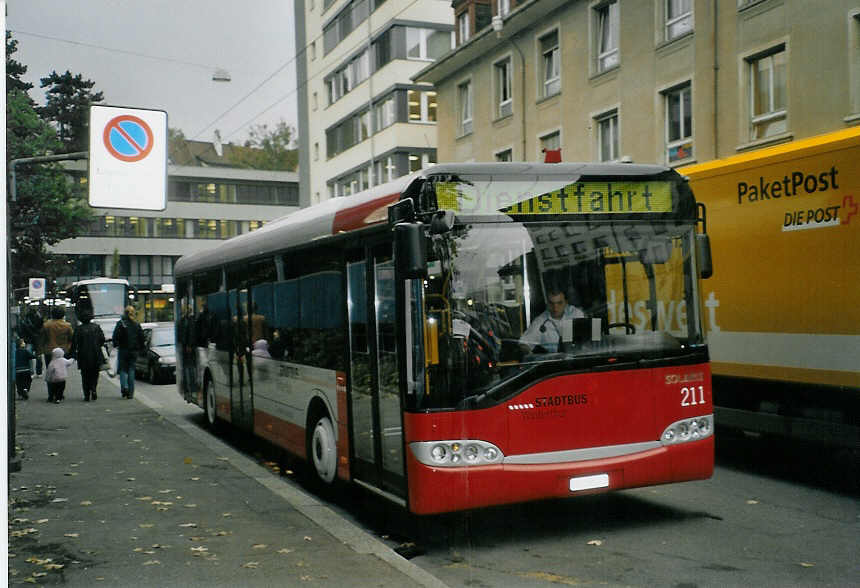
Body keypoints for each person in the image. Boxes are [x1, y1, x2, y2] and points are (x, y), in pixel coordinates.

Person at [519, 286, 585, 353]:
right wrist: (530, 355)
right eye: (551, 303)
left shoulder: (575, 313)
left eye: (559, 303)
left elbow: (589, 337)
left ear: (566, 303)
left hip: (579, 357)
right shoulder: (540, 321)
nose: (555, 308)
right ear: (547, 303)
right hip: (555, 361)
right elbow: (524, 344)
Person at [70, 309, 107, 402]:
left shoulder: (78, 329)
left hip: (83, 355)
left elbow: (74, 343)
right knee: (95, 373)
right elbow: (102, 339)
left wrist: (72, 354)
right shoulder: (96, 327)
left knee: (85, 375)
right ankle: (93, 388)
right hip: (96, 354)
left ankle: (87, 394)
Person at [112, 305, 145, 399]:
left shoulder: (120, 323)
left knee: (123, 369)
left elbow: (115, 337)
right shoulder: (136, 324)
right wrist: (141, 348)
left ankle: (124, 387)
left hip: (123, 350)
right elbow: (141, 338)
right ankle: (131, 392)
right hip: (134, 351)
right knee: (131, 370)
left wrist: (116, 344)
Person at [39, 306, 73, 379]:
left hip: (49, 351)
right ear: (63, 315)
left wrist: (40, 350)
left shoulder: (46, 325)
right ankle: (60, 387)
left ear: (52, 314)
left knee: (50, 371)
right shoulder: (67, 325)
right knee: (61, 372)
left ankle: (51, 387)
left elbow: (42, 339)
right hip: (63, 351)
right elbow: (71, 338)